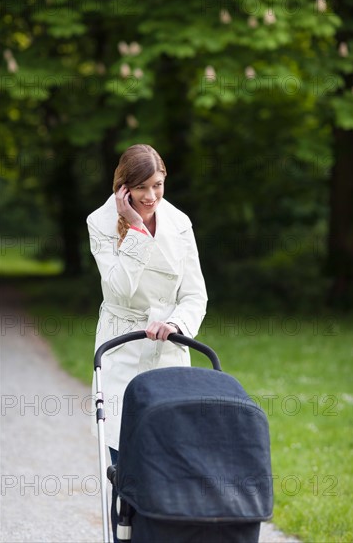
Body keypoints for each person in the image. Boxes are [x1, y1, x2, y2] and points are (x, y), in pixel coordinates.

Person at [87, 143, 208, 464]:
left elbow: (196, 294)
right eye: (142, 187)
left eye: (158, 185)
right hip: (121, 343)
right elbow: (120, 289)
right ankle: (126, 511)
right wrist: (137, 229)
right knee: (121, 441)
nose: (152, 196)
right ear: (123, 188)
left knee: (169, 447)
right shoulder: (99, 223)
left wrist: (176, 324)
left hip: (167, 344)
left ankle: (162, 514)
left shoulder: (180, 223)